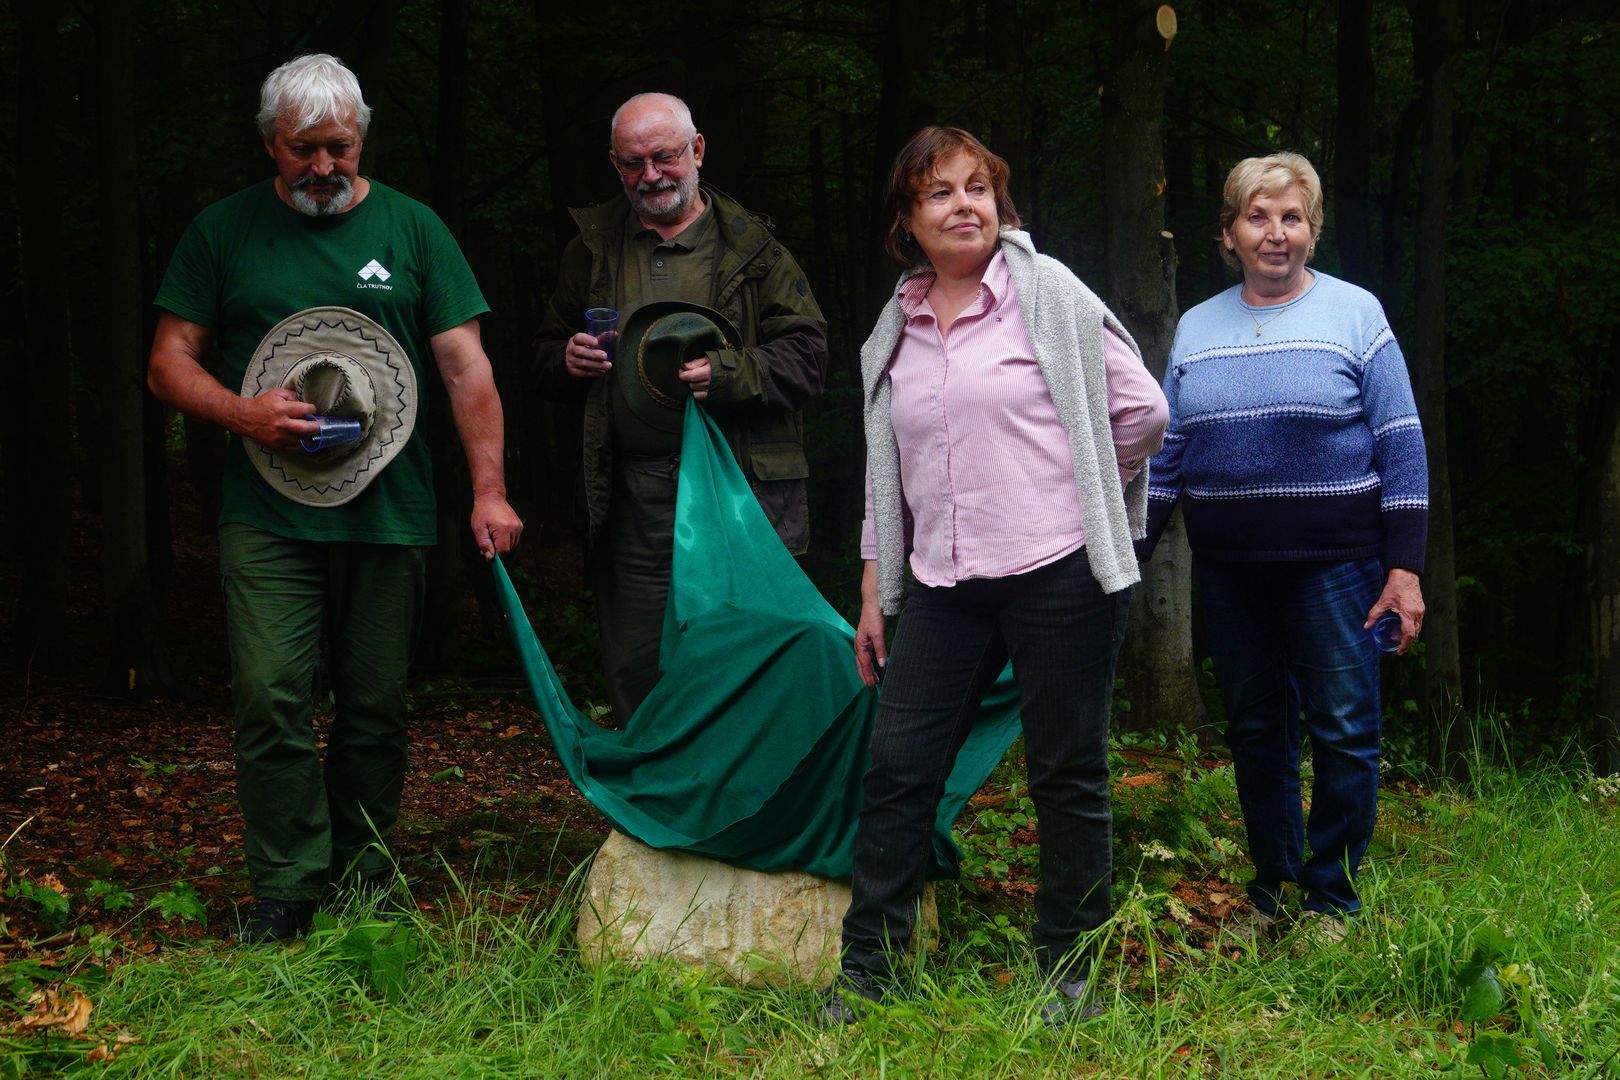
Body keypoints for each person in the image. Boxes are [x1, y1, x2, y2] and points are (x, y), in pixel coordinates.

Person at [147, 53, 522, 942]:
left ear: (364, 139)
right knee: (271, 693)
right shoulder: (222, 232)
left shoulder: (415, 229)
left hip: (388, 512)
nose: (322, 167)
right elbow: (167, 361)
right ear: (269, 145)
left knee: (374, 702)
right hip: (267, 515)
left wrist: (490, 493)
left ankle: (362, 877)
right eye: (300, 149)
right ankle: (285, 886)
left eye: (339, 147)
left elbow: (466, 368)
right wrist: (243, 413)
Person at [820, 127, 1168, 1027]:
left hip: (1060, 572)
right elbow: (881, 470)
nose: (964, 205)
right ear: (908, 219)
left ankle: (1071, 971)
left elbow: (1142, 411)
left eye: (979, 187)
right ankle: (870, 973)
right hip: (941, 582)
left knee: (1066, 771)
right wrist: (872, 590)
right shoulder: (894, 325)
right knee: (897, 768)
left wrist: (1076, 487)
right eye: (940, 193)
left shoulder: (1044, 293)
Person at [1138, 152, 1427, 942]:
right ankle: (1272, 890)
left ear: (1313, 228)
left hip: (1338, 570)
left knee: (1344, 728)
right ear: (1229, 233)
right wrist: (1126, 559)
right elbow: (1169, 456)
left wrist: (1404, 570)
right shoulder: (1197, 327)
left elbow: (1401, 443)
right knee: (1256, 731)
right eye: (1258, 218)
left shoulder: (1356, 315)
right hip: (1230, 573)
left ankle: (1329, 900)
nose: (1276, 234)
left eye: (1291, 217)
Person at [531, 92, 828, 726]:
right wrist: (566, 360)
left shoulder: (754, 251)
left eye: (664, 157)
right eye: (633, 164)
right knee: (637, 659)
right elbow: (542, 352)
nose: (651, 176)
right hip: (632, 492)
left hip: (735, 490)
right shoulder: (590, 250)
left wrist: (728, 373)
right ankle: (657, 811)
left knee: (741, 652)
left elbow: (809, 357)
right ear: (615, 164)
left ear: (696, 150)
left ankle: (744, 804)